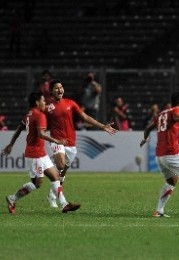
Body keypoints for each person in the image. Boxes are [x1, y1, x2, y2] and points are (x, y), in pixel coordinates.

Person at [2, 92, 81, 214]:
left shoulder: (28, 115)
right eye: (43, 100)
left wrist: (11, 144)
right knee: (37, 184)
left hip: (39, 153)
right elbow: (41, 134)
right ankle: (12, 199)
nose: (45, 103)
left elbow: (19, 129)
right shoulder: (40, 116)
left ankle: (64, 205)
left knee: (55, 177)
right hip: (35, 155)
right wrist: (58, 141)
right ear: (37, 102)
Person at [45, 79, 117, 208]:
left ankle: (51, 195)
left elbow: (85, 117)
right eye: (56, 88)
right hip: (57, 141)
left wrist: (102, 126)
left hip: (71, 143)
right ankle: (63, 202)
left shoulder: (70, 103)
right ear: (51, 91)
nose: (60, 90)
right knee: (60, 165)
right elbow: (40, 123)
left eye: (61, 87)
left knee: (62, 174)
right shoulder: (48, 107)